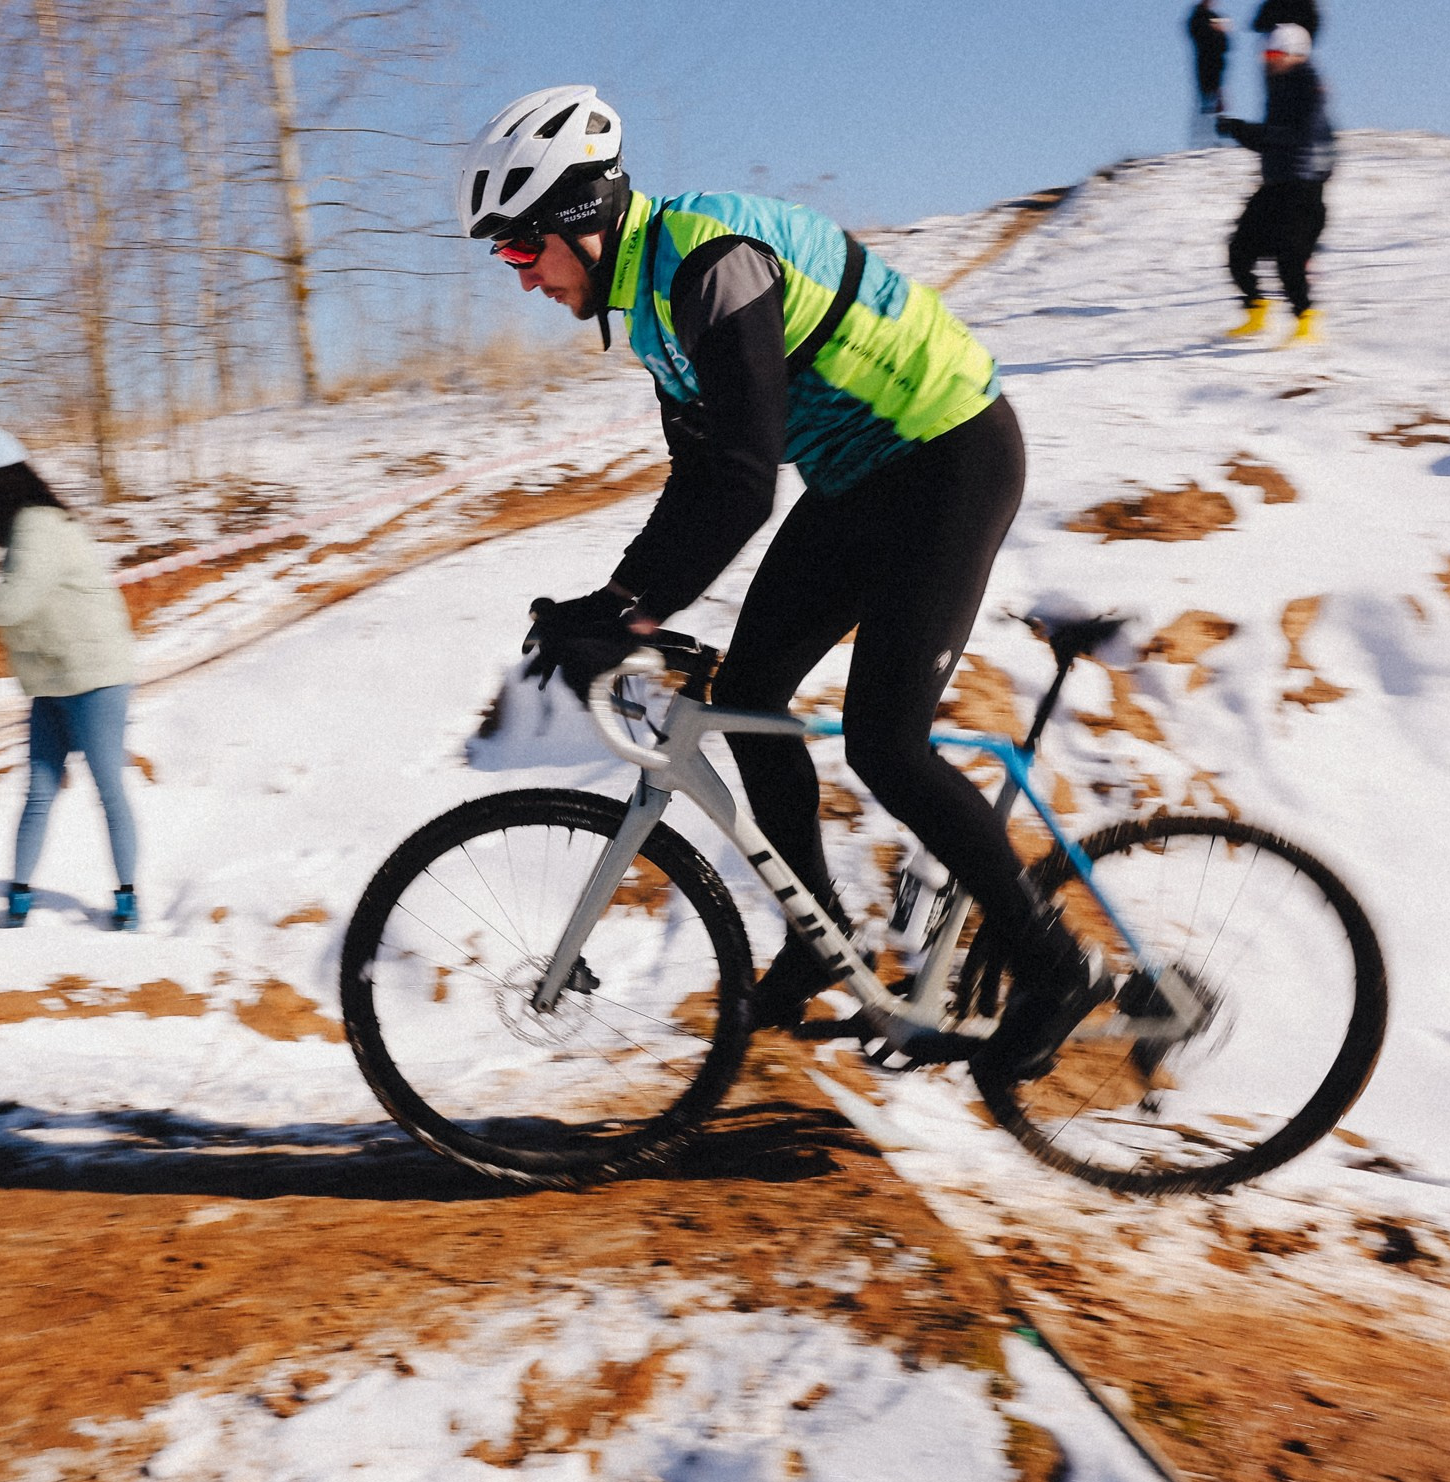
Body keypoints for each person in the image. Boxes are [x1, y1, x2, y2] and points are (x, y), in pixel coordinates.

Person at [457, 84, 1110, 1074]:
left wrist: (627, 608)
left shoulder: (709, 262)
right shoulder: (650, 308)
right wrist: (614, 605)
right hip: (862, 475)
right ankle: (819, 934)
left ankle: (1055, 966)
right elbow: (698, 479)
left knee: (887, 745)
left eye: (519, 248)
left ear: (578, 218)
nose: (520, 279)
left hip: (949, 452)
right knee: (748, 692)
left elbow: (742, 482)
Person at [0, 424, 141, 931]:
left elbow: (11, 603)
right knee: (38, 792)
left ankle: (128, 902)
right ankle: (17, 898)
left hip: (95, 677)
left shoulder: (40, 525)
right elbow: (25, 599)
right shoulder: (28, 528)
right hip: (52, 681)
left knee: (108, 790)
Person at [1217, 24, 1334, 343]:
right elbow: (1272, 140)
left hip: (1302, 189)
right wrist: (1239, 131)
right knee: (1239, 250)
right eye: (1265, 54)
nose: (1267, 60)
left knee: (1289, 259)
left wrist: (1250, 131)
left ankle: (1306, 321)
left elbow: (1297, 137)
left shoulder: (1309, 88)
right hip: (1275, 185)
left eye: (1273, 53)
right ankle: (1256, 310)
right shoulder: (1279, 87)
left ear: (1295, 54)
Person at [1188, 2, 1231, 125]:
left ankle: (1216, 124)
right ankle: (1209, 125)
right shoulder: (1199, 17)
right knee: (1208, 95)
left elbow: (1224, 39)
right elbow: (1200, 34)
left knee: (1217, 94)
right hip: (1207, 60)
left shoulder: (1211, 15)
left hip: (1217, 60)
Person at [1250, 0, 1318, 40]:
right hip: (1275, 42)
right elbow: (1258, 25)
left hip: (1297, 42)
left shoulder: (1306, 4)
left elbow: (1312, 24)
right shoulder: (1273, 4)